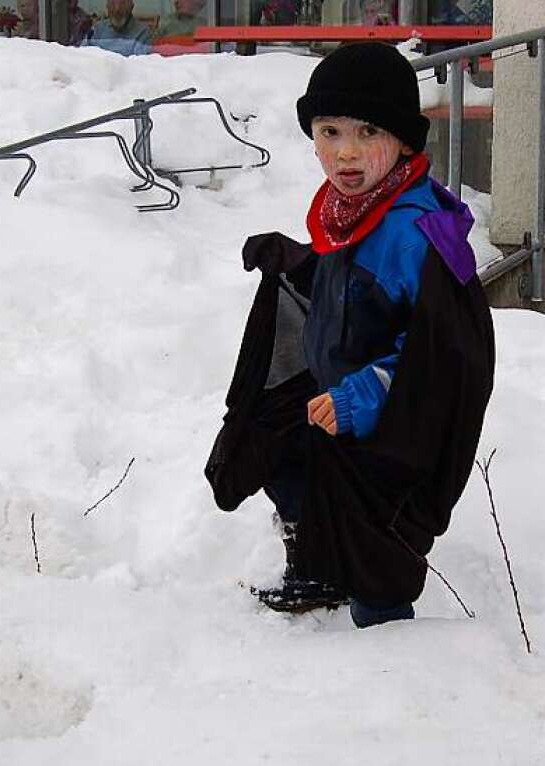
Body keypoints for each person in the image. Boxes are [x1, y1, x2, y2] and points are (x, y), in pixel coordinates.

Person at [205, 42, 495, 629]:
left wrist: (362, 395)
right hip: (333, 399)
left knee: (376, 553)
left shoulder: (419, 237)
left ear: (407, 142)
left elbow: (443, 358)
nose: (346, 152)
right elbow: (358, 290)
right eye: (329, 131)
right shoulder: (353, 208)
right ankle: (317, 564)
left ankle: (389, 660)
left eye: (368, 132)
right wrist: (298, 262)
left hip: (391, 431)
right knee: (275, 453)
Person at [82, 0, 150, 55]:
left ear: (132, 6)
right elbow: (84, 54)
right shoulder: (97, 29)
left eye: (123, 3)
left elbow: (140, 64)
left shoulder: (143, 32)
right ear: (107, 6)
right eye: (112, 3)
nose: (117, 9)